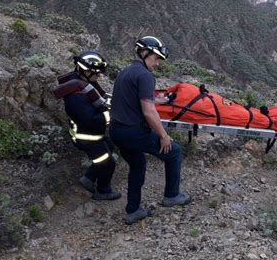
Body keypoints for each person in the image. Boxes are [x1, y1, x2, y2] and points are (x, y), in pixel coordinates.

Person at [110, 36, 192, 225]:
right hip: (133, 132)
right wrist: (164, 136)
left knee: (137, 165)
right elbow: (148, 112)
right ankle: (172, 195)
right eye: (156, 59)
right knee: (174, 152)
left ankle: (133, 210)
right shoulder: (146, 76)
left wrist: (156, 100)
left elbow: (132, 98)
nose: (157, 64)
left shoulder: (126, 72)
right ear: (145, 53)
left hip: (116, 131)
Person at [54, 51, 121, 201]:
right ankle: (103, 191)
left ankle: (89, 178)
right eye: (96, 72)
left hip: (93, 136)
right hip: (87, 139)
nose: (99, 76)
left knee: (109, 146)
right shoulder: (75, 97)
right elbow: (91, 121)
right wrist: (112, 114)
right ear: (85, 70)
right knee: (107, 163)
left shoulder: (85, 85)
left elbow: (101, 99)